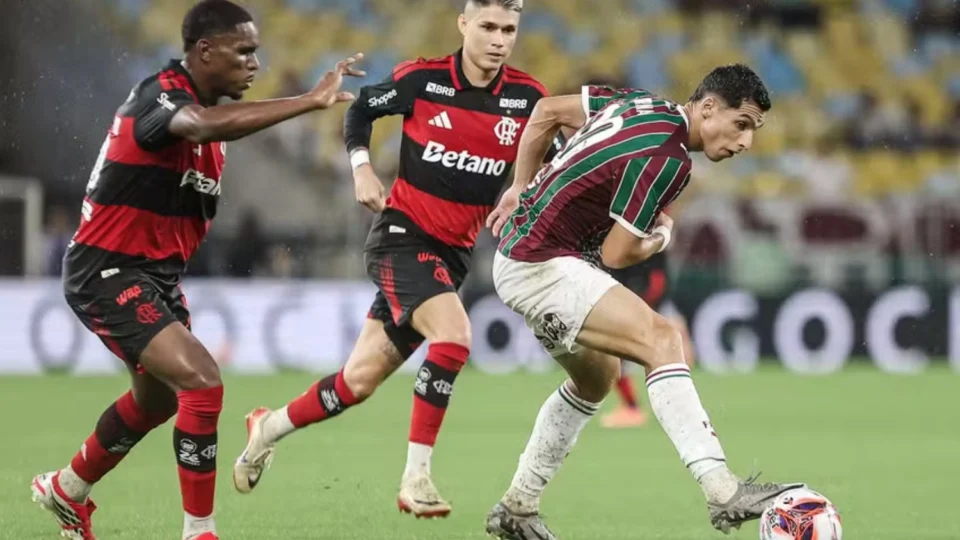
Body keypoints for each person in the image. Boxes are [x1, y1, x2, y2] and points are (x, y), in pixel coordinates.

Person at [29, 2, 365, 539]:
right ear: (205, 52)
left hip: (154, 278)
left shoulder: (213, 143)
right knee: (203, 383)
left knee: (158, 399)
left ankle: (67, 490)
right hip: (107, 269)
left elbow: (202, 150)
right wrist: (307, 101)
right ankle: (199, 532)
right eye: (244, 52)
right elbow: (199, 126)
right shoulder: (159, 96)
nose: (255, 63)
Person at [233, 0, 550, 519]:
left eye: (509, 29)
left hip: (453, 257)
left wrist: (527, 189)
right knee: (453, 336)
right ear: (463, 24)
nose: (498, 39)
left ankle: (268, 428)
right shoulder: (422, 79)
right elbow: (360, 109)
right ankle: (416, 477)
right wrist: (361, 166)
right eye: (488, 26)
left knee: (356, 382)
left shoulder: (528, 98)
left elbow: (555, 153)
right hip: (401, 238)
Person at [483, 65, 803, 539]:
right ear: (709, 107)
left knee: (598, 380)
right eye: (742, 124)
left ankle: (518, 507)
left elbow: (547, 112)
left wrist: (518, 187)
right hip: (543, 265)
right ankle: (721, 489)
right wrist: (660, 237)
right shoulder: (671, 158)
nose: (745, 143)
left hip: (525, 254)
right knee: (663, 338)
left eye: (752, 131)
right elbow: (617, 254)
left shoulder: (639, 103)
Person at [602, 237, 698, 428]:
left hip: (651, 304)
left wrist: (645, 303)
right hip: (634, 303)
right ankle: (632, 407)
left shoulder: (650, 240)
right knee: (611, 356)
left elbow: (658, 279)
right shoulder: (621, 240)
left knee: (683, 356)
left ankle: (680, 410)